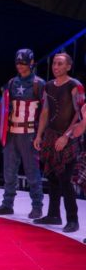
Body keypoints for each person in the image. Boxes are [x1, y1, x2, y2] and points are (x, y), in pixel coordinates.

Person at [0, 49, 45, 219]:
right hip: (11, 132)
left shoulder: (39, 84)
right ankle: (7, 204)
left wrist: (39, 135)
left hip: (29, 133)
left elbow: (45, 112)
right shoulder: (12, 82)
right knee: (9, 171)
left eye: (23, 62)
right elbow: (5, 107)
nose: (20, 66)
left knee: (32, 172)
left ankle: (37, 206)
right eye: (18, 63)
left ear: (31, 62)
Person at [32, 53, 84, 233]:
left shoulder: (75, 85)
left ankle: (73, 219)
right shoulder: (48, 86)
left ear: (68, 66)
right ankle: (53, 214)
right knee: (52, 176)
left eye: (60, 64)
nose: (55, 66)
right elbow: (45, 112)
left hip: (68, 137)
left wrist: (66, 136)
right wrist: (39, 135)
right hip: (51, 135)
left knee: (65, 179)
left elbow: (80, 113)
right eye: (54, 63)